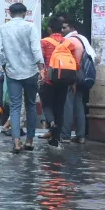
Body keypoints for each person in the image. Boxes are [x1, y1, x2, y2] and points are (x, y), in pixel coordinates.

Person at [0, 2, 45, 153]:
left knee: (15, 107)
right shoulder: (30, 27)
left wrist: (4, 66)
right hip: (30, 72)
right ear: (24, 13)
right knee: (30, 105)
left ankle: (16, 142)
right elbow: (36, 49)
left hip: (12, 72)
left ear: (10, 14)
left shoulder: (3, 28)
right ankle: (29, 140)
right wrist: (41, 68)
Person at [41, 15, 84, 147]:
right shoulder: (68, 43)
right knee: (60, 109)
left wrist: (41, 75)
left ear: (49, 28)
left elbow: (40, 61)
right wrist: (73, 82)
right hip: (64, 80)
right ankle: (56, 139)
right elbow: (75, 64)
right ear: (61, 29)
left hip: (49, 79)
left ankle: (51, 122)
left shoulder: (44, 42)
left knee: (47, 105)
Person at [62, 17, 96, 144]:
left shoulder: (69, 41)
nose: (62, 30)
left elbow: (72, 63)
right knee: (78, 105)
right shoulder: (82, 39)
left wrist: (72, 81)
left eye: (64, 27)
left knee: (68, 105)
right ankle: (80, 135)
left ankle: (65, 134)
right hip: (83, 76)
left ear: (71, 28)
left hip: (73, 76)